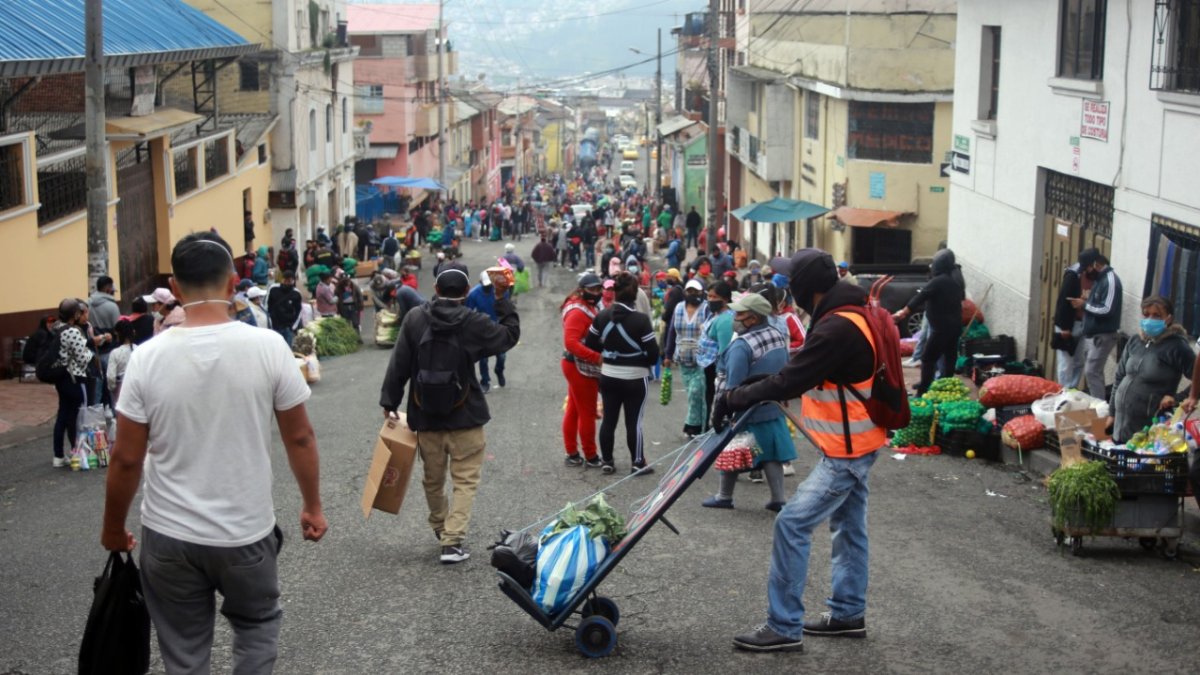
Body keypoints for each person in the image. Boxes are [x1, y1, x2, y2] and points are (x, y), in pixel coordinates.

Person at [101, 232, 327, 673]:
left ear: (176, 288)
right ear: (232, 284)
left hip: (168, 535)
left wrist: (113, 528)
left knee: (183, 651)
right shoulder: (267, 348)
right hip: (246, 532)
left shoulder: (146, 358)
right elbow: (300, 438)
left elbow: (126, 457)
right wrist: (312, 506)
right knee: (257, 626)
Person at [712, 248, 884, 652]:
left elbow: (789, 380)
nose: (784, 289)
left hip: (847, 449)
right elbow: (801, 370)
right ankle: (847, 614)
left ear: (808, 287)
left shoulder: (836, 328)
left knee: (791, 524)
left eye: (789, 281)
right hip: (855, 442)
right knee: (850, 528)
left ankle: (784, 627)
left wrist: (733, 397)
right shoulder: (850, 313)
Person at [379, 264, 519, 564]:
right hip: (466, 415)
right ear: (466, 292)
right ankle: (452, 542)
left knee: (432, 479)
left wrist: (389, 400)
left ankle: (442, 527)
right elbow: (508, 336)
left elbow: (400, 361)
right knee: (465, 480)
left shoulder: (416, 318)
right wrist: (501, 298)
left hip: (426, 415)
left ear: (437, 290)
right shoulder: (473, 322)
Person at [701, 292, 795, 511]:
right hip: (772, 405)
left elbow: (732, 385)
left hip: (745, 408)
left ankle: (724, 496)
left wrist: (720, 411)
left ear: (753, 318)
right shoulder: (777, 335)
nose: (735, 317)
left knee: (733, 449)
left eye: (739, 314)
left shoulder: (742, 346)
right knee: (772, 454)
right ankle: (778, 498)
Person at [585, 272, 660, 475]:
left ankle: (607, 461)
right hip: (636, 377)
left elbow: (590, 343)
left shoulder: (601, 316)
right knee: (634, 422)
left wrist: (610, 353)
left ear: (614, 292)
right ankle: (637, 463)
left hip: (609, 375)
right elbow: (653, 353)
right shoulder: (641, 320)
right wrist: (642, 360)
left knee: (609, 419)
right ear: (635, 294)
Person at [1107, 296, 1194, 443]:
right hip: (1120, 426)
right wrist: (1112, 413)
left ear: (1168, 318)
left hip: (1150, 429)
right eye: (1146, 315)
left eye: (1157, 315)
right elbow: (1119, 377)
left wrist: (1177, 399)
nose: (1150, 319)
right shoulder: (1135, 341)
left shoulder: (1177, 347)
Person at [892, 249, 965, 396]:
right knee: (949, 358)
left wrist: (902, 313)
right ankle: (946, 388)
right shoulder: (955, 279)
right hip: (953, 326)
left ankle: (923, 390)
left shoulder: (939, 281)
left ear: (939, 265)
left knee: (927, 358)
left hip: (941, 328)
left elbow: (920, 297)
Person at [560, 274, 605, 468]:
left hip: (576, 365)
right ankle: (591, 456)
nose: (595, 293)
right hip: (580, 366)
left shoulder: (583, 306)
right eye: (592, 289)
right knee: (587, 412)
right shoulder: (578, 311)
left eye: (598, 289)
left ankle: (572, 453)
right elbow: (570, 342)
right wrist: (597, 357)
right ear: (581, 289)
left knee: (574, 410)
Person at [49, 299, 95, 467]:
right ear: (75, 314)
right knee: (78, 417)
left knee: (62, 416)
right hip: (74, 377)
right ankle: (78, 452)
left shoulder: (56, 328)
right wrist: (90, 351)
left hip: (61, 377)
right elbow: (83, 358)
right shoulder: (72, 332)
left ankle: (58, 456)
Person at [1072, 250, 1123, 400]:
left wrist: (1085, 304)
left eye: (1087, 268)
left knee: (1092, 371)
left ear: (1096, 264)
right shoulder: (1100, 280)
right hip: (1093, 335)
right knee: (1094, 372)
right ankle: (1098, 404)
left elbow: (1107, 309)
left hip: (1103, 335)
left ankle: (1099, 407)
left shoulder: (1111, 280)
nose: (1086, 273)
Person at [1052, 249, 1095, 389]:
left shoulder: (1097, 276)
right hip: (1069, 324)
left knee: (1079, 360)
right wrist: (1065, 327)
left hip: (1083, 324)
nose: (1086, 270)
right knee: (1066, 362)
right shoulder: (1073, 276)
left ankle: (1072, 388)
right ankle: (1064, 390)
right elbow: (1063, 303)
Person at [466, 272, 508, 393]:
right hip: (482, 328)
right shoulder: (474, 294)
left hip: (498, 327)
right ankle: (485, 381)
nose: (488, 288)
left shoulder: (500, 291)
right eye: (485, 286)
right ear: (480, 283)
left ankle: (499, 370)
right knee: (483, 358)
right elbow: (468, 311)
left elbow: (506, 306)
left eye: (490, 286)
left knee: (501, 356)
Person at [267, 271, 304, 347]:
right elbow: (267, 305)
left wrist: (293, 326)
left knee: (287, 348)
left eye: (289, 281)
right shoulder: (273, 289)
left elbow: (299, 311)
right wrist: (269, 321)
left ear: (293, 281)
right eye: (285, 280)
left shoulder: (296, 293)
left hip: (288, 327)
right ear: (282, 279)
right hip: (274, 325)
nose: (287, 283)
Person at [105, 319, 136, 405]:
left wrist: (112, 388)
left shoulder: (115, 353)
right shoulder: (139, 349)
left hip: (120, 387)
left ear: (118, 335)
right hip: (137, 386)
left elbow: (111, 377)